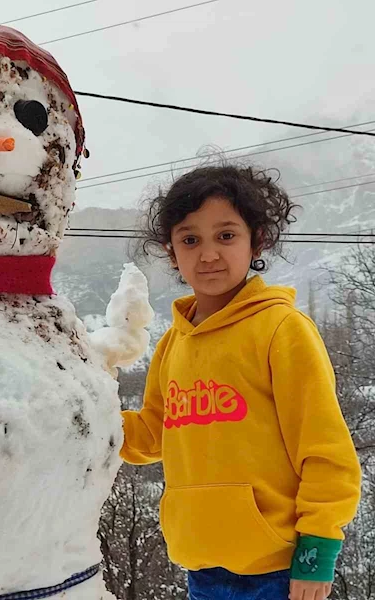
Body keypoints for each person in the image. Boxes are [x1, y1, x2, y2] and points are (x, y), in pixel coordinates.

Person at [122, 164, 362, 600]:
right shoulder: (174, 341)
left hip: (278, 571)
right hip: (201, 565)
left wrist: (318, 551)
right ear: (171, 251)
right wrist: (90, 417)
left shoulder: (281, 329)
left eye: (226, 235)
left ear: (257, 240)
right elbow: (153, 434)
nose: (208, 254)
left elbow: (324, 450)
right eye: (190, 239)